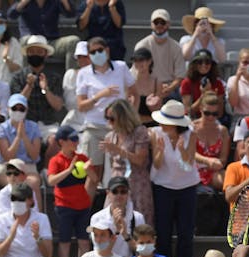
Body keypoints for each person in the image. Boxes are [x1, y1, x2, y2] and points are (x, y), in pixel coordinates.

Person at [76, 36, 135, 201]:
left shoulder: (121, 67)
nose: (97, 54)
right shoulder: (83, 73)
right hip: (93, 128)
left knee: (118, 174)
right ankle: (85, 219)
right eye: (93, 52)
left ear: (107, 50)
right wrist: (100, 95)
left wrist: (131, 116)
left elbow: (134, 93)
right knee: (93, 173)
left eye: (100, 50)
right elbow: (81, 106)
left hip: (118, 129)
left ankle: (117, 215)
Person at [150, 101, 200, 257]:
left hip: (187, 188)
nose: (162, 125)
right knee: (163, 235)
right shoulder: (155, 133)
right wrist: (160, 152)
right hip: (163, 188)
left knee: (186, 234)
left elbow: (189, 162)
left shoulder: (191, 134)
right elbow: (156, 164)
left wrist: (181, 149)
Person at [47, 125, 92, 257]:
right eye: (72, 139)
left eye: (76, 138)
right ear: (62, 141)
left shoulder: (83, 158)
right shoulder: (55, 160)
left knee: (84, 241)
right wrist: (69, 169)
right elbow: (51, 181)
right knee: (64, 242)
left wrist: (89, 171)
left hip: (83, 206)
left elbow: (94, 179)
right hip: (64, 206)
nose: (76, 142)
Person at [103, 99, 154, 225]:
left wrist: (119, 150)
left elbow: (140, 160)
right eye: (107, 118)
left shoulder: (139, 132)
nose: (109, 122)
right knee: (112, 222)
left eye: (112, 118)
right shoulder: (110, 136)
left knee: (139, 224)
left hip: (137, 184)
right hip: (117, 184)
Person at [0, 94, 42, 206]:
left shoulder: (34, 127)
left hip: (28, 168)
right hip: (7, 168)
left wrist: (24, 137)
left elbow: (34, 156)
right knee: (14, 182)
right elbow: (7, 156)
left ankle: (37, 219)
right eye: (14, 108)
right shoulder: (2, 129)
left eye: (21, 109)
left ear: (26, 110)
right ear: (8, 109)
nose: (18, 111)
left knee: (33, 182)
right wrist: (18, 137)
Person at [133, 8, 185, 100]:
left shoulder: (176, 47)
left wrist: (170, 88)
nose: (159, 25)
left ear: (168, 24)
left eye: (163, 22)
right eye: (156, 22)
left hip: (168, 88)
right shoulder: (141, 45)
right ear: (151, 24)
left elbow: (180, 76)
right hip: (146, 87)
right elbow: (136, 71)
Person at [7, 0, 78, 66]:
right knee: (25, 41)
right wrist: (24, 2)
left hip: (51, 43)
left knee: (73, 41)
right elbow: (11, 15)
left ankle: (71, 77)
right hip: (32, 43)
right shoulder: (25, 2)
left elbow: (71, 14)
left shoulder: (54, 1)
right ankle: (25, 76)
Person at [193, 94, 232, 192]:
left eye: (215, 114)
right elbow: (190, 152)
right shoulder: (192, 128)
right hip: (193, 168)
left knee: (230, 183)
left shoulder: (222, 131)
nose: (211, 117)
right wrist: (207, 161)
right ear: (201, 109)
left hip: (214, 170)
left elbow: (223, 158)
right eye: (207, 113)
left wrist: (217, 163)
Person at [180, 50, 226, 119]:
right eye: (200, 62)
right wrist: (203, 95)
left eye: (207, 62)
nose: (203, 65)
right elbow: (189, 111)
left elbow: (219, 113)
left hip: (212, 119)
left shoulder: (218, 83)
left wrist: (211, 95)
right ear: (194, 64)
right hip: (193, 120)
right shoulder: (186, 83)